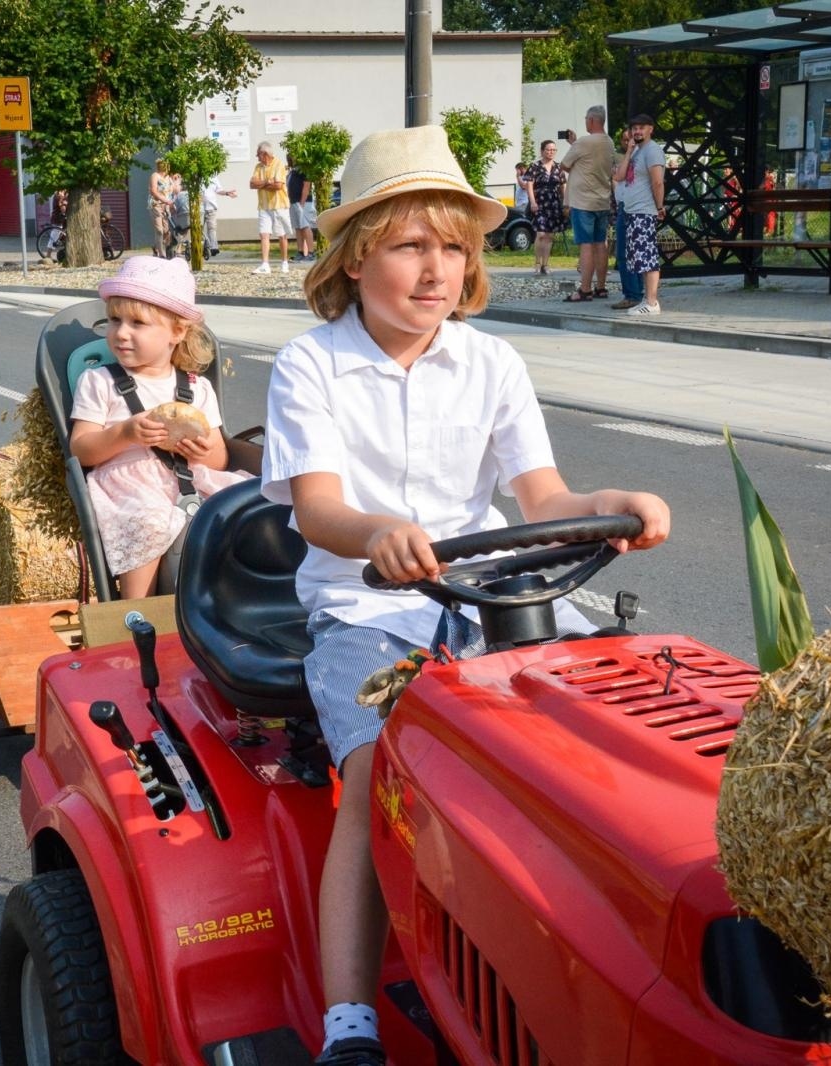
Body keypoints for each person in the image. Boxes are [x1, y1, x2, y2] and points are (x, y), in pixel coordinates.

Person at [261, 125, 670, 1066]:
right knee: (374, 763)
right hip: (365, 603)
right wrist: (379, 536)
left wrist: (612, 506)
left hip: (487, 592)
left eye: (454, 247)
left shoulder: (492, 363)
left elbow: (544, 501)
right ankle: (351, 1026)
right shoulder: (311, 365)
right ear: (356, 257)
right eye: (410, 245)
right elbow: (319, 511)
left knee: (606, 732)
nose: (436, 269)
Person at [69, 256, 251, 599]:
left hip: (189, 477)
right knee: (149, 518)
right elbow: (81, 449)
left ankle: (229, 602)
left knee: (240, 504)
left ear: (177, 332)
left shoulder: (197, 388)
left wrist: (202, 451)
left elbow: (220, 458)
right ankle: (135, 608)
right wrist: (124, 434)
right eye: (114, 320)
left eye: (137, 323)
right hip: (127, 483)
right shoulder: (99, 381)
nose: (121, 333)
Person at [612, 113, 667, 315]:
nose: (637, 131)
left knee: (648, 256)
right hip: (631, 210)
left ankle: (652, 303)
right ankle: (647, 299)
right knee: (639, 258)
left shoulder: (652, 151)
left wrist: (659, 206)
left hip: (644, 211)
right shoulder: (637, 151)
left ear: (650, 129)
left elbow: (657, 181)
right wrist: (628, 151)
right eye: (634, 128)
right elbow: (618, 176)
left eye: (641, 127)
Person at [559, 105, 614, 302]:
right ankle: (601, 287)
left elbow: (564, 165)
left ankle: (584, 289)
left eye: (585, 119)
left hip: (583, 201)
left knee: (586, 245)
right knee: (601, 244)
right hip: (602, 199)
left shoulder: (584, 142)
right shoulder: (609, 142)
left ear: (591, 120)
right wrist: (575, 143)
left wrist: (574, 144)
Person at [609, 127, 645, 310]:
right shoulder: (624, 157)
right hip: (624, 204)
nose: (626, 143)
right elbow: (616, 178)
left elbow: (620, 176)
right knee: (627, 253)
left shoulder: (638, 156)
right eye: (623, 140)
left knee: (627, 253)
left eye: (629, 139)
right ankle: (636, 291)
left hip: (632, 206)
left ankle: (633, 294)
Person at [523, 139, 567, 276]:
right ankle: (537, 262)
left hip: (554, 203)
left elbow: (563, 186)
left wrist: (565, 202)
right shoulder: (534, 166)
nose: (551, 152)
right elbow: (529, 185)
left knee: (549, 235)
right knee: (540, 233)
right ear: (542, 151)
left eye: (553, 150)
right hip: (540, 202)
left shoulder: (559, 167)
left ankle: (545, 264)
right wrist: (532, 202)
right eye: (548, 149)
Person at [250, 141, 292, 274]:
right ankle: (265, 264)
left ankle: (284, 262)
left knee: (281, 235)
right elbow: (252, 184)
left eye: (258, 154)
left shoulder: (279, 164)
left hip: (279, 205)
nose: (257, 157)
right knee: (264, 234)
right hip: (263, 205)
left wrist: (261, 184)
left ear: (265, 154)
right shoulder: (258, 167)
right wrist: (268, 182)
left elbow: (278, 186)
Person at [288, 154, 316, 261]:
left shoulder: (305, 169)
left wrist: (302, 203)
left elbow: (306, 186)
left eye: (293, 156)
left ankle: (311, 253)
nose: (292, 158)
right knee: (298, 228)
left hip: (303, 203)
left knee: (305, 226)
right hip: (294, 202)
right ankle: (300, 252)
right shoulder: (293, 170)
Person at [201, 173, 236, 258]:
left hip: (211, 207)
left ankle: (213, 248)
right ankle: (200, 247)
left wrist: (227, 193)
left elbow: (218, 190)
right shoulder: (197, 175)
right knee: (199, 228)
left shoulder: (213, 176)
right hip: (199, 207)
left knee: (212, 228)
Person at [149, 159, 175, 258]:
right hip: (156, 205)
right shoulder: (155, 176)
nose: (163, 167)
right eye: (161, 165)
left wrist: (176, 179)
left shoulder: (169, 178)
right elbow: (153, 191)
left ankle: (156, 247)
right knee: (159, 230)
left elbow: (174, 190)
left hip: (166, 206)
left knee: (166, 231)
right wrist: (165, 200)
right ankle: (161, 254)